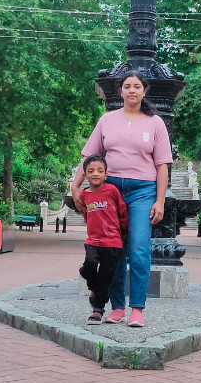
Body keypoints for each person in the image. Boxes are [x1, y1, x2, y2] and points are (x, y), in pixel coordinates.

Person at [70, 71, 172, 328]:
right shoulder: (107, 120)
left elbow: (162, 166)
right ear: (121, 91)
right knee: (112, 250)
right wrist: (75, 186)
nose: (132, 91)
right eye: (127, 86)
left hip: (142, 192)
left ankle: (137, 308)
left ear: (144, 91)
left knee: (138, 249)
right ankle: (117, 307)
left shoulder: (155, 123)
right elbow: (89, 157)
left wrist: (159, 201)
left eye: (137, 86)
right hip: (110, 191)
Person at [77, 154, 128, 325]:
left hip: (113, 242)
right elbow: (86, 215)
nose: (95, 174)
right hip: (93, 241)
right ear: (85, 175)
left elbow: (122, 212)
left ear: (106, 174)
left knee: (107, 276)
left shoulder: (112, 190)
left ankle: (97, 310)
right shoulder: (84, 196)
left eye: (100, 171)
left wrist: (124, 232)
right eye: (91, 171)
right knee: (89, 265)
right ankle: (92, 285)